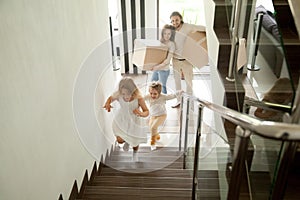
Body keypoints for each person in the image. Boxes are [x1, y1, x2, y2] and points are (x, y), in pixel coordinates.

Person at [103, 77, 149, 153]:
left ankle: (135, 154)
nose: (126, 96)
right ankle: (127, 141)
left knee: (135, 143)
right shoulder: (119, 95)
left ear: (133, 91)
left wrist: (141, 113)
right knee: (120, 140)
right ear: (121, 92)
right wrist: (107, 103)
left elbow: (146, 111)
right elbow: (111, 98)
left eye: (129, 94)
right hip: (122, 120)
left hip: (135, 122)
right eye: (124, 94)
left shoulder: (139, 98)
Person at [170, 11, 206, 108]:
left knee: (189, 82)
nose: (175, 22)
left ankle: (189, 100)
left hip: (186, 60)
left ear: (180, 19)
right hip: (175, 60)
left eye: (176, 20)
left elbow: (202, 28)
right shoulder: (171, 30)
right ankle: (178, 101)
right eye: (172, 21)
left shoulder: (187, 27)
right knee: (177, 81)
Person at [144, 81, 183, 150]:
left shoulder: (163, 97)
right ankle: (156, 136)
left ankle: (153, 142)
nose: (152, 95)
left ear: (159, 93)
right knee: (151, 128)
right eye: (151, 93)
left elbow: (172, 96)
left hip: (162, 115)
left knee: (153, 127)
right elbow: (140, 98)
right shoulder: (148, 96)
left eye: (155, 94)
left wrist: (179, 92)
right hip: (153, 116)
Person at [150, 24, 176, 94]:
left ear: (171, 34)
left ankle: (163, 103)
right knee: (152, 84)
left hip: (164, 70)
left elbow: (167, 61)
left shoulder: (172, 44)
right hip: (157, 68)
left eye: (169, 34)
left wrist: (157, 67)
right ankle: (154, 101)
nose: (166, 36)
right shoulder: (160, 42)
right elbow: (157, 56)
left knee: (162, 87)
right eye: (165, 33)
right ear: (162, 34)